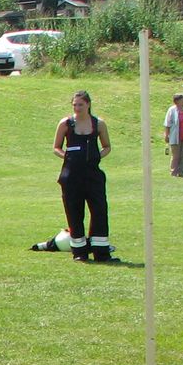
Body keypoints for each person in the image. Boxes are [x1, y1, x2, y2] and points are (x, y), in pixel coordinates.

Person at [52, 90, 116, 263]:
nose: (77, 108)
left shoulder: (98, 124)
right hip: (71, 175)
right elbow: (56, 147)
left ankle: (101, 252)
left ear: (88, 104)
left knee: (99, 210)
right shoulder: (65, 123)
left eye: (80, 104)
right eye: (74, 105)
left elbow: (107, 146)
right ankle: (79, 252)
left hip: (93, 175)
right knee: (74, 212)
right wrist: (67, 156)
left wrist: (95, 157)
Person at [163, 91, 183, 177]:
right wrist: (166, 135)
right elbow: (167, 124)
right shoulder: (171, 110)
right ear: (177, 101)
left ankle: (181, 172)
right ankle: (173, 172)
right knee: (175, 156)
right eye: (182, 99)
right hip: (174, 136)